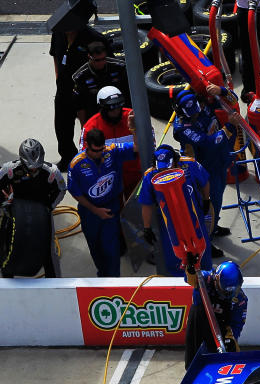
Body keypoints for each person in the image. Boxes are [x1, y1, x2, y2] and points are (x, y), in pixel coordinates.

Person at [173, 87, 243, 253]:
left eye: (196, 110)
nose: (196, 114)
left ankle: (213, 227)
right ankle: (205, 241)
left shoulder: (203, 104)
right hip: (202, 171)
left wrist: (222, 91)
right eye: (192, 113)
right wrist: (230, 127)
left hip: (219, 161)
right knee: (205, 206)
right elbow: (209, 142)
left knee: (217, 201)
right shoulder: (182, 128)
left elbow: (234, 101)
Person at [67, 127, 137, 277]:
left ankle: (114, 280)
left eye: (101, 149)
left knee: (111, 248)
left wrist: (134, 129)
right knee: (95, 246)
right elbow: (75, 192)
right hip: (89, 211)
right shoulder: (76, 165)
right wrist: (94, 210)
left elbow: (137, 147)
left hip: (110, 207)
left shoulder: (111, 151)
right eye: (94, 151)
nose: (98, 154)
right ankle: (102, 275)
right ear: (86, 145)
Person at [139, 144, 213, 276]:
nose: (165, 173)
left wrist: (206, 200)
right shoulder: (150, 175)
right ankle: (182, 287)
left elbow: (205, 181)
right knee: (176, 259)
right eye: (161, 170)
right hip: (170, 225)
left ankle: (207, 280)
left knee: (203, 253)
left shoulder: (190, 164)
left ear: (175, 161)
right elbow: (146, 203)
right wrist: (146, 228)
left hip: (194, 219)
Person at [0, 139, 66, 278]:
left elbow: (61, 190)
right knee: (3, 241)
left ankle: (55, 282)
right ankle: (6, 278)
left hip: (41, 213)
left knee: (49, 250)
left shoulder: (52, 172)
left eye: (37, 165)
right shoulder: (10, 169)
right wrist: (4, 203)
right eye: (30, 166)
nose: (34, 169)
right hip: (14, 211)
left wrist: (49, 207)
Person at [50, 18, 109, 170]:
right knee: (62, 126)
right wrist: (58, 77)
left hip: (86, 93)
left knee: (89, 128)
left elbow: (106, 64)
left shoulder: (95, 39)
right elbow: (55, 56)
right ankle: (67, 156)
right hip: (64, 89)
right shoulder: (58, 33)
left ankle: (92, 158)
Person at [80, 86, 142, 200]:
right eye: (111, 107)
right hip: (107, 179)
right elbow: (85, 157)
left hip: (134, 174)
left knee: (135, 212)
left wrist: (135, 129)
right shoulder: (91, 127)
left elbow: (149, 144)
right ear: (102, 107)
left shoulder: (134, 117)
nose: (116, 110)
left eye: (119, 106)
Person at [184, 261, 248, 367]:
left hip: (221, 326)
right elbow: (190, 279)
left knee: (232, 347)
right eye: (226, 292)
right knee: (197, 310)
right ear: (217, 280)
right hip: (199, 322)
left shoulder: (240, 300)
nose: (229, 295)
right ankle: (192, 369)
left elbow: (237, 324)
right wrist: (190, 270)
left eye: (233, 291)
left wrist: (230, 339)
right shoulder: (204, 279)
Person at [71, 40, 129, 125]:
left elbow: (129, 94)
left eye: (103, 59)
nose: (101, 63)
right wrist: (84, 126)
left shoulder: (119, 67)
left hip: (120, 114)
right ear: (89, 56)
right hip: (95, 117)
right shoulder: (81, 76)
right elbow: (80, 105)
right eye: (97, 60)